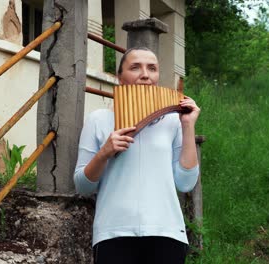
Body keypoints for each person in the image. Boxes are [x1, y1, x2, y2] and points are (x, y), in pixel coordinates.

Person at [74, 47, 201, 264]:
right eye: (135, 67)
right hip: (113, 233)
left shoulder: (173, 122)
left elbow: (186, 183)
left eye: (152, 68)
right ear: (120, 77)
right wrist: (104, 153)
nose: (145, 74)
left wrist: (188, 126)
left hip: (167, 232)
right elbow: (82, 187)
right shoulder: (99, 119)